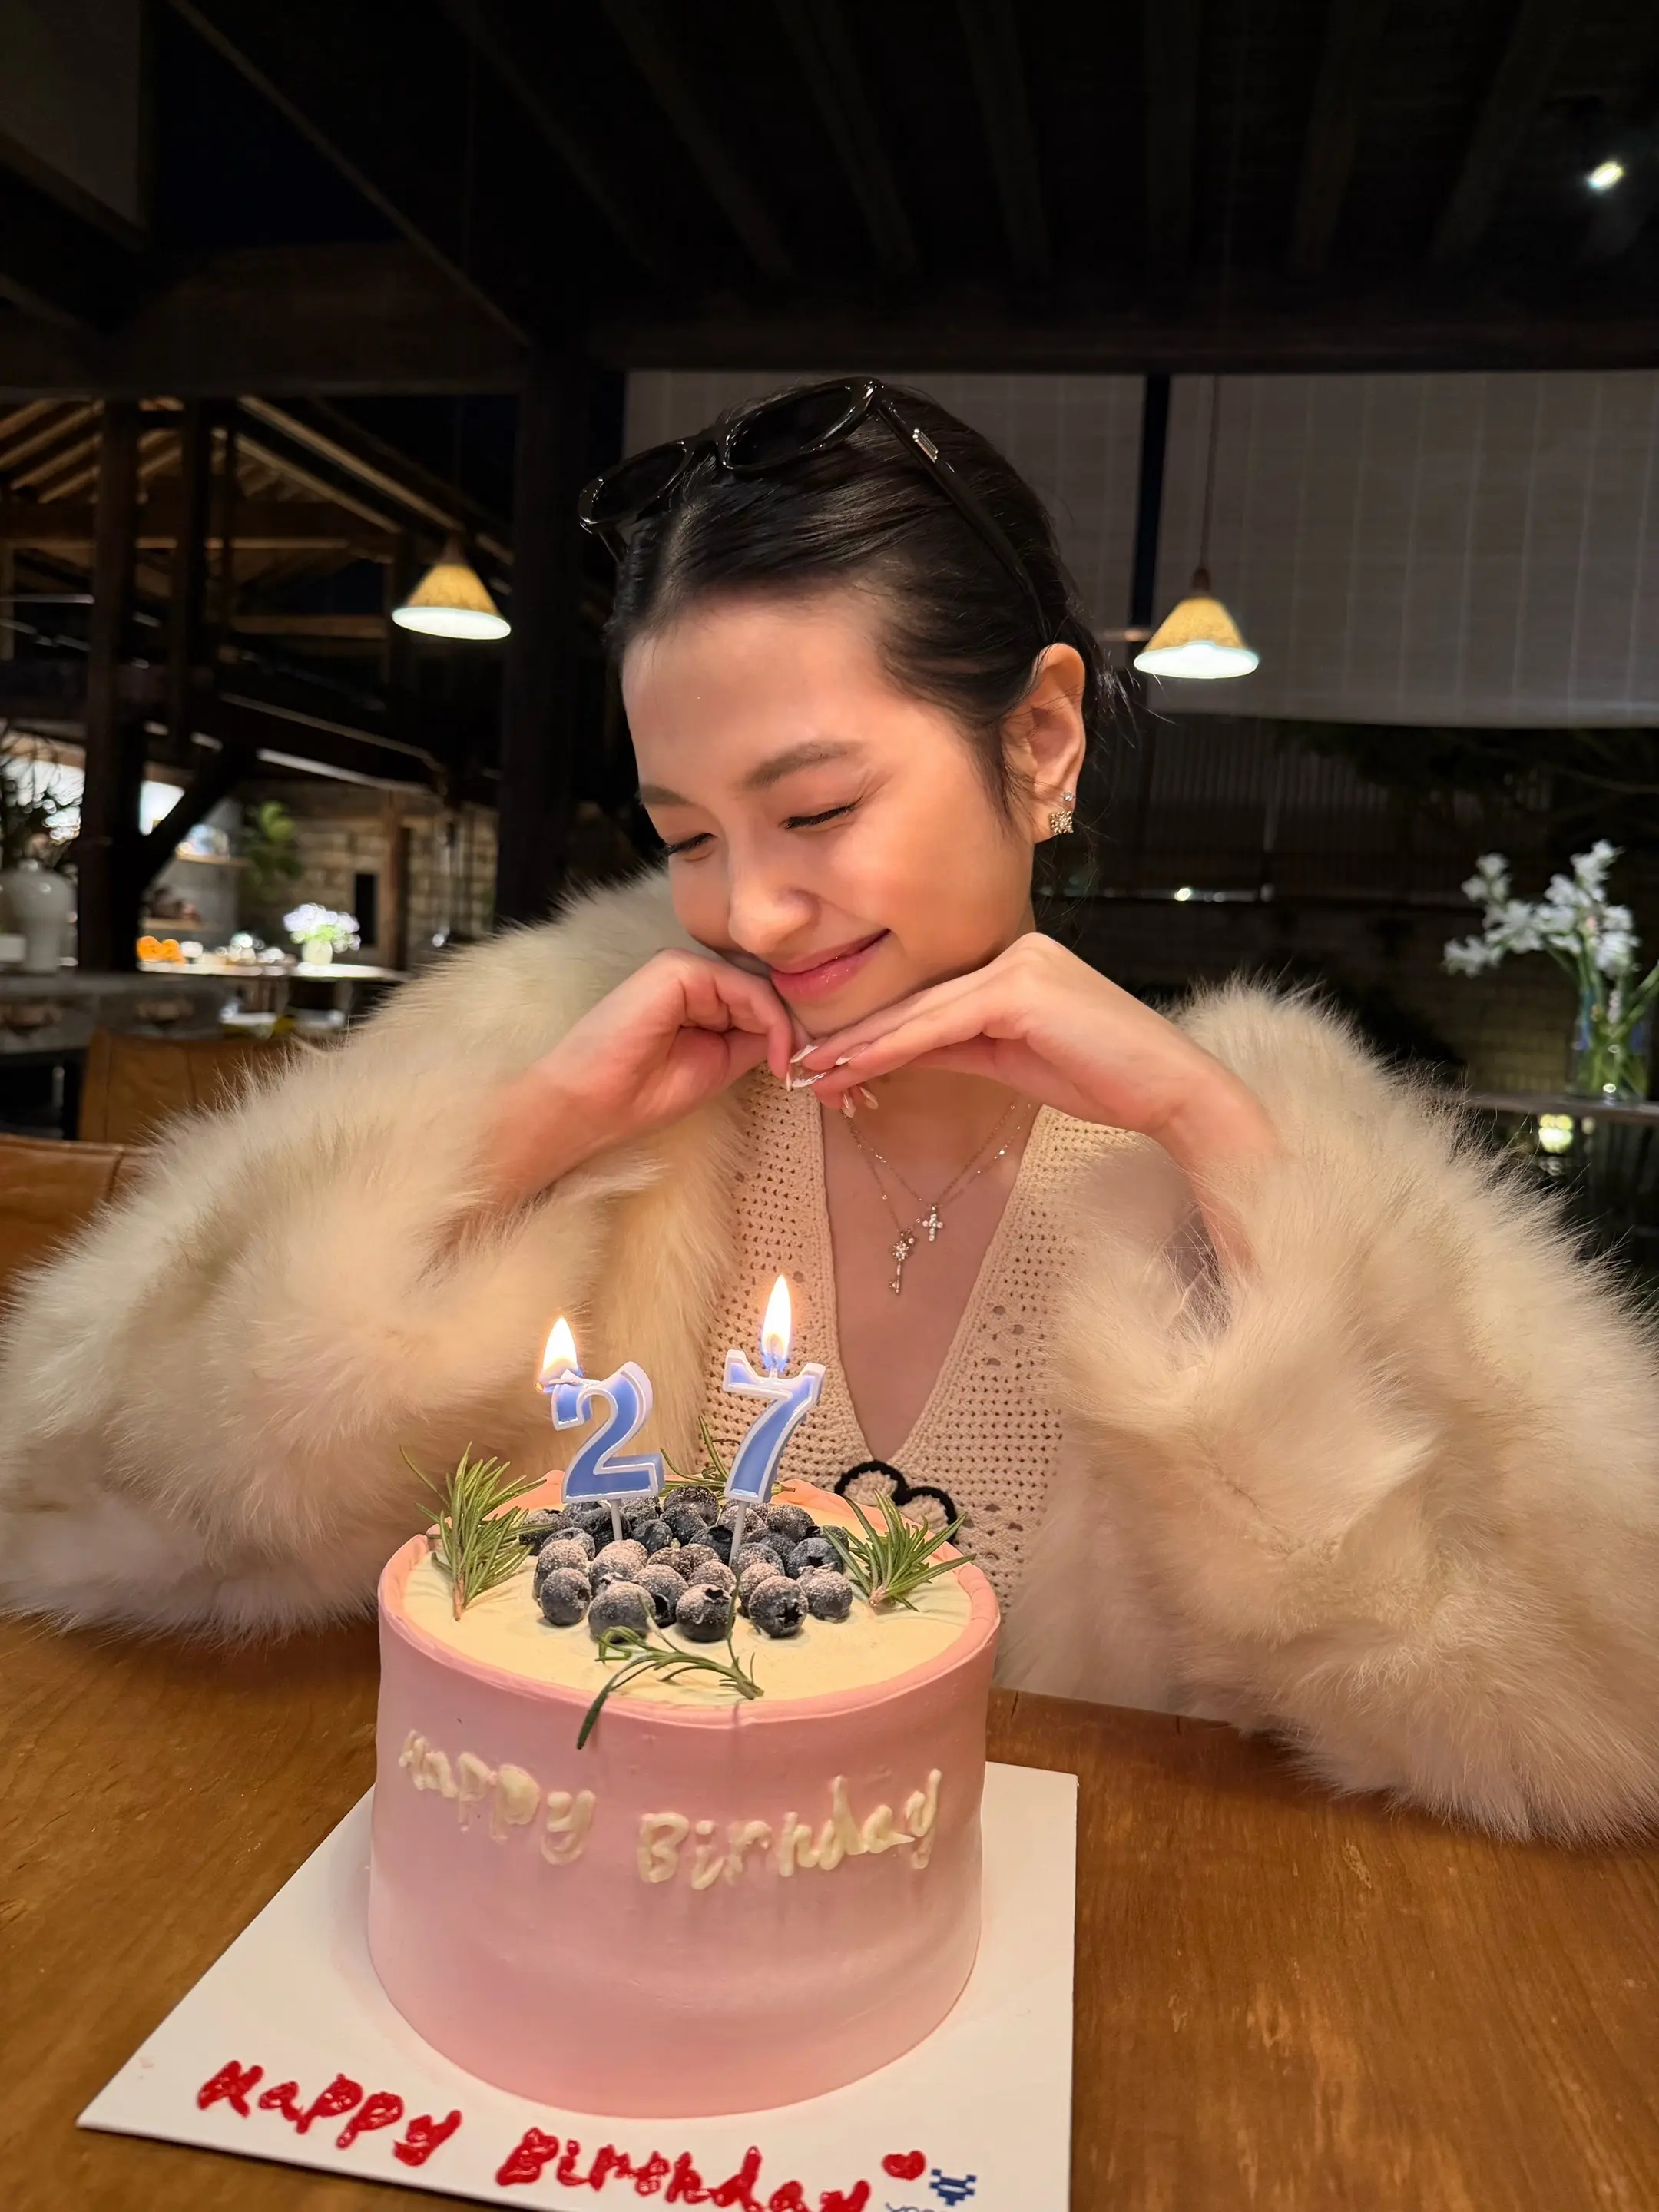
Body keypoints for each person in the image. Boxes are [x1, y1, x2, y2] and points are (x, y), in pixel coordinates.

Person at [2, 379, 1654, 1844]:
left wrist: (1227, 1148)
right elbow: (79, 1506)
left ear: (1042, 740)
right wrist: (514, 1146)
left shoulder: (1264, 1156)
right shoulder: (551, 1042)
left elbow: (1588, 1720)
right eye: (688, 835)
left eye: (816, 808)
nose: (753, 911)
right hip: (600, 1956)